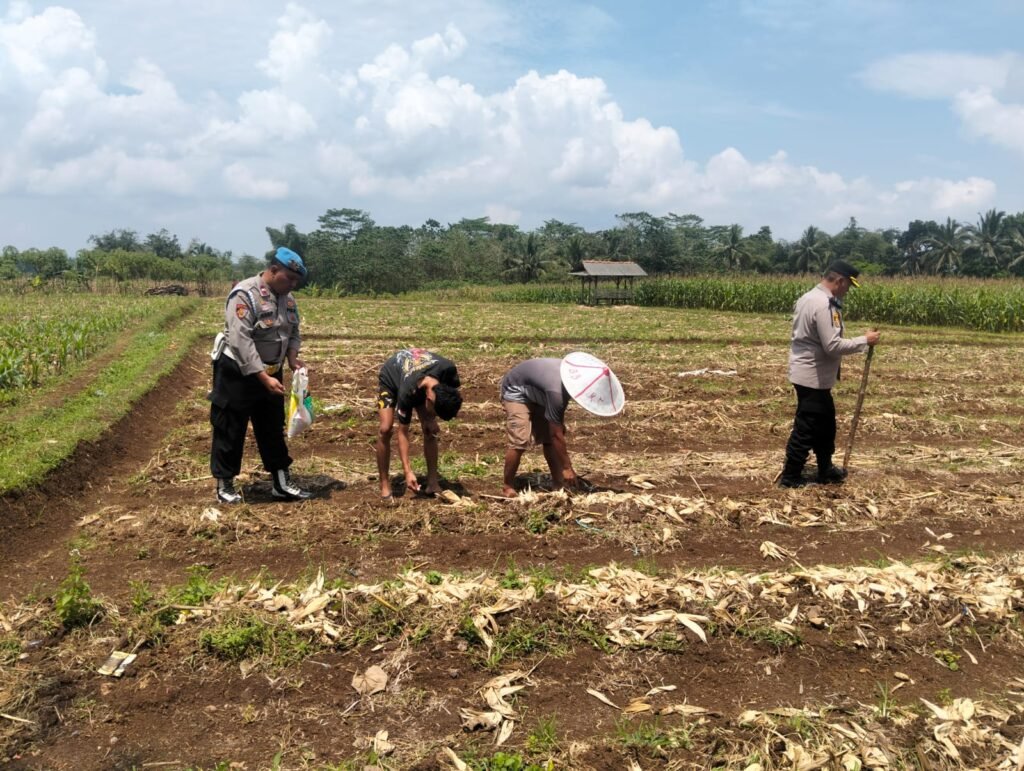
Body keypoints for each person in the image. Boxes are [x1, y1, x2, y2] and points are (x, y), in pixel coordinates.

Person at [208, 247, 313, 503]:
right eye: (289, 278)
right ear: (273, 270)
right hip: (238, 372)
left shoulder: (287, 300)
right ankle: (225, 485)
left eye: (296, 280)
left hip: (272, 371)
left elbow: (294, 331)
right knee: (230, 427)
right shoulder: (245, 294)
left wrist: (291, 356)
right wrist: (262, 377)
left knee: (272, 427)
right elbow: (241, 339)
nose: (293, 284)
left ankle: (281, 482)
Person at [779, 260, 881, 488]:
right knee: (805, 428)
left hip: (809, 374)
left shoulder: (807, 297)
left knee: (825, 424)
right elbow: (832, 346)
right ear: (840, 281)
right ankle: (791, 477)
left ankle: (825, 468)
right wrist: (865, 341)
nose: (848, 291)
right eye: (848, 287)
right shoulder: (825, 304)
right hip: (812, 376)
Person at [500, 353, 624, 498]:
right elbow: (556, 434)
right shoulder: (556, 392)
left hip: (538, 390)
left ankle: (558, 483)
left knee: (549, 438)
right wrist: (567, 467)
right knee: (520, 440)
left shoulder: (564, 386)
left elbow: (554, 432)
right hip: (515, 389)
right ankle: (507, 486)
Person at [376, 348, 463, 499]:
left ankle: (432, 482)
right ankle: (384, 483)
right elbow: (402, 433)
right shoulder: (408, 392)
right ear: (428, 399)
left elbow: (452, 395)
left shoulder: (448, 370)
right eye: (434, 412)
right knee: (385, 429)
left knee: (430, 429)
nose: (433, 415)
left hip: (421, 380)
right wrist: (407, 471)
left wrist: (431, 419)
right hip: (392, 374)